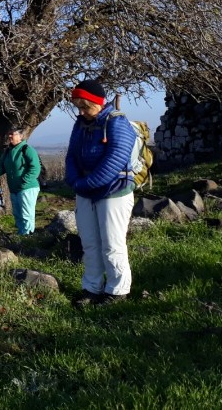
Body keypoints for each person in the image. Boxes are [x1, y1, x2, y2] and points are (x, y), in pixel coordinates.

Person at [65, 79, 136, 306]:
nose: (82, 112)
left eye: (85, 106)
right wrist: (75, 181)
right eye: (79, 107)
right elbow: (72, 155)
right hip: (86, 191)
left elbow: (116, 158)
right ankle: (92, 288)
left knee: (112, 243)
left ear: (98, 102)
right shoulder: (80, 124)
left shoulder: (117, 123)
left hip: (114, 191)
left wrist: (84, 184)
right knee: (90, 243)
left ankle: (117, 290)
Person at [0, 128, 41, 235]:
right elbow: (0, 167)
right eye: (9, 134)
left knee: (26, 214)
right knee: (17, 214)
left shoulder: (27, 149)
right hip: (14, 188)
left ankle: (27, 237)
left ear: (20, 136)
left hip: (27, 188)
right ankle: (21, 235)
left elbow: (35, 168)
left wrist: (24, 180)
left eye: (13, 134)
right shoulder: (7, 151)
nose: (10, 136)